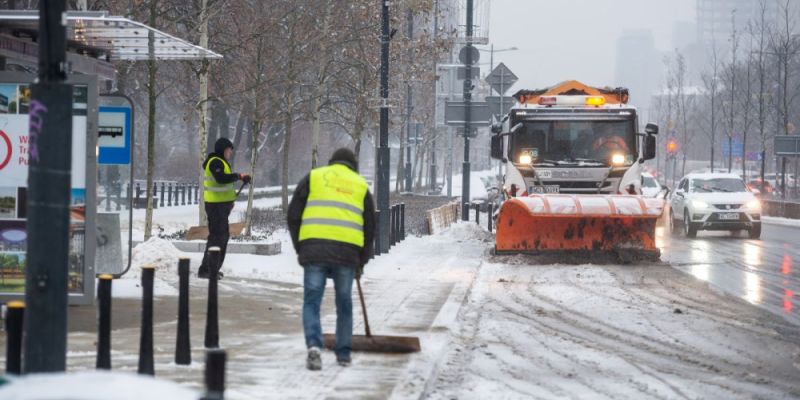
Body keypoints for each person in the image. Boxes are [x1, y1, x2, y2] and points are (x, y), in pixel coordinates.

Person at [287, 148, 375, 371]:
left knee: (312, 300)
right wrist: (361, 261)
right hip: (347, 253)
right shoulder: (360, 185)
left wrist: (301, 247)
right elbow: (370, 227)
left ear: (332, 162)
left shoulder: (315, 177)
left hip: (314, 250)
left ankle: (314, 347)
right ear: (352, 165)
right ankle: (343, 353)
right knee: (344, 302)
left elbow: (293, 214)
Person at [198, 137, 251, 279]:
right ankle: (206, 270)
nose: (230, 153)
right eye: (228, 150)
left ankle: (212, 268)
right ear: (223, 150)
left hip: (220, 206)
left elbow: (224, 186)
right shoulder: (215, 162)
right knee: (217, 237)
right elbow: (221, 179)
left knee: (222, 237)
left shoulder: (221, 162)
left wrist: (230, 199)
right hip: (216, 207)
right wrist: (238, 176)